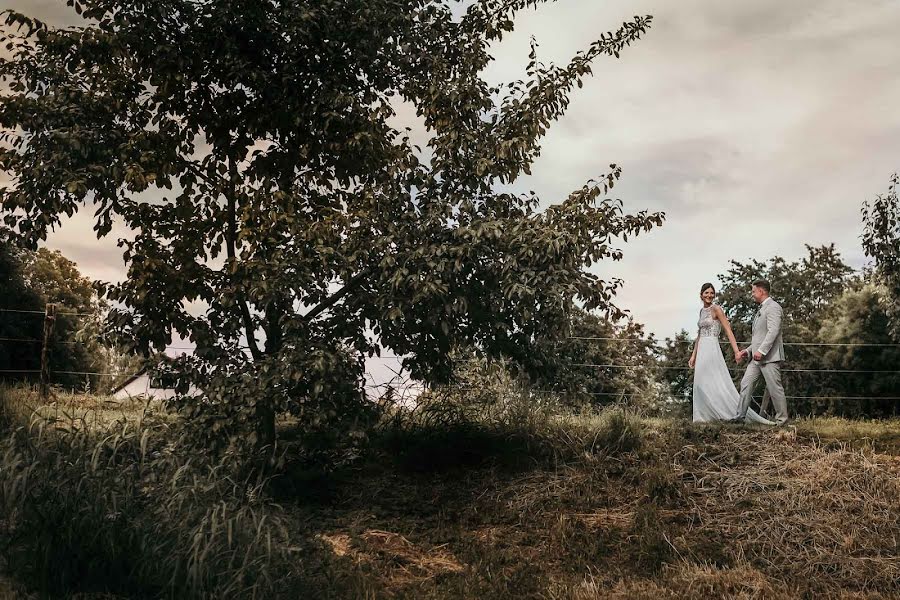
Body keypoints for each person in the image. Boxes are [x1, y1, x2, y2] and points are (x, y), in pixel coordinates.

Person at [690, 282, 774, 424]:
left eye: (711, 293)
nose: (709, 295)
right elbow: (699, 334)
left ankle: (722, 412)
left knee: (713, 380)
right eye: (706, 293)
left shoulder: (716, 309)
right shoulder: (701, 311)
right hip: (702, 348)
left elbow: (728, 330)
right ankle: (702, 415)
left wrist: (737, 352)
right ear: (701, 295)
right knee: (700, 382)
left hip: (712, 348)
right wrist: (693, 355)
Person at [735, 279, 789, 425]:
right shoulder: (761, 309)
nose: (752, 294)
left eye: (753, 291)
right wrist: (747, 351)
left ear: (761, 291)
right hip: (756, 359)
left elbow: (773, 332)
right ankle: (739, 417)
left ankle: (782, 421)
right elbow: (759, 337)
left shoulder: (773, 307)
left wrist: (762, 351)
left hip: (769, 358)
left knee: (775, 389)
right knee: (746, 383)